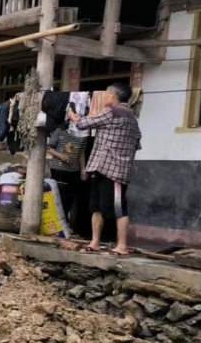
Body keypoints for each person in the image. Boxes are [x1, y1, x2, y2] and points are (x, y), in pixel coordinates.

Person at [67, 82, 141, 256]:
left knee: (119, 208)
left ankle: (121, 245)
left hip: (113, 169)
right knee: (97, 207)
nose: (103, 97)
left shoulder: (113, 112)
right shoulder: (132, 118)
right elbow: (137, 142)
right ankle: (95, 242)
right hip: (103, 167)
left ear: (113, 97)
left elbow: (84, 123)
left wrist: (72, 116)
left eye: (106, 94)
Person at [46, 124, 86, 216]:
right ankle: (57, 221)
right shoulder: (60, 131)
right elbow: (49, 147)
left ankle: (65, 220)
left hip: (74, 170)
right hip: (59, 169)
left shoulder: (83, 134)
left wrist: (83, 169)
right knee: (58, 196)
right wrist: (61, 156)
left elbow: (81, 152)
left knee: (70, 198)